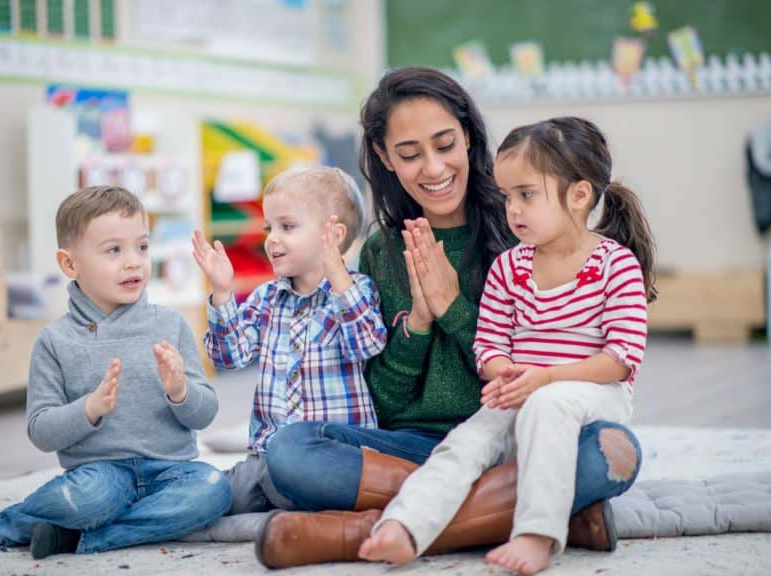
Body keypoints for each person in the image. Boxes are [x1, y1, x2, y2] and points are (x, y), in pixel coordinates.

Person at [256, 67, 643, 569]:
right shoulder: (382, 252)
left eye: (445, 145)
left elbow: (563, 367)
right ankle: (527, 511)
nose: (433, 167)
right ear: (384, 157)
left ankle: (361, 530)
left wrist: (455, 309)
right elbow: (383, 400)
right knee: (290, 450)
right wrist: (419, 321)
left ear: (468, 137)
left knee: (610, 449)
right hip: (414, 446)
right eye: (411, 154)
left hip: (514, 437)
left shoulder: (521, 233)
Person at [359, 116, 656, 574]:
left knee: (550, 408)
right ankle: (405, 526)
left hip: (590, 392)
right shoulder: (510, 268)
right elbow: (491, 344)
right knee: (466, 442)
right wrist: (502, 372)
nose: (512, 209)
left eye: (526, 195)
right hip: (524, 390)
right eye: (507, 197)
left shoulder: (615, 265)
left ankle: (537, 535)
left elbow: (619, 361)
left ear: (579, 195)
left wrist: (545, 379)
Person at [0, 186, 231, 559]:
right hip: (99, 475)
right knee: (89, 498)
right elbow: (41, 431)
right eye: (114, 250)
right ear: (70, 264)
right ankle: (5, 525)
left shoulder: (171, 323)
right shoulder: (54, 341)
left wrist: (180, 391)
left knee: (213, 490)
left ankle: (82, 538)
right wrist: (89, 408)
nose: (134, 262)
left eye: (142, 246)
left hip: (171, 471)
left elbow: (205, 413)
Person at [189, 166, 387, 530]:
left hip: (327, 459)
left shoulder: (357, 291)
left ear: (333, 235)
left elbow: (368, 342)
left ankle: (289, 523)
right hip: (264, 462)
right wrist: (221, 292)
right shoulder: (267, 298)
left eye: (287, 226)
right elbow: (228, 357)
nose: (271, 239)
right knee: (206, 494)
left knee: (313, 495)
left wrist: (338, 278)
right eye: (269, 228)